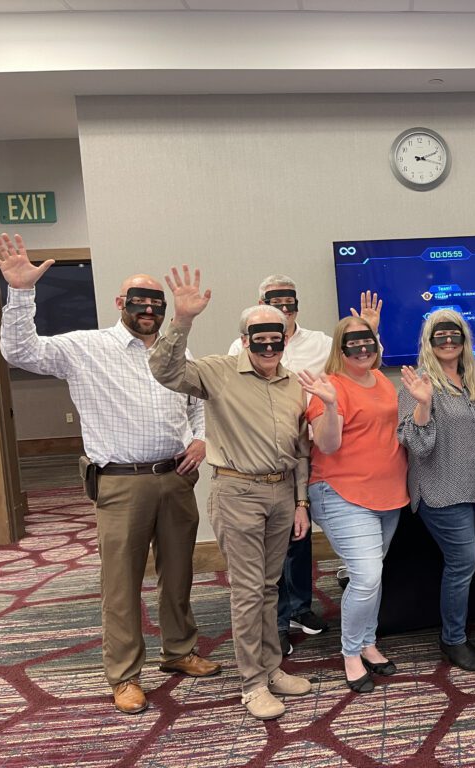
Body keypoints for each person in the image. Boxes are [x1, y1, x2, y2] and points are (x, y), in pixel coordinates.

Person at [0, 233, 219, 716]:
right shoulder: (84, 347)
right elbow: (20, 352)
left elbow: (197, 403)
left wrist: (201, 440)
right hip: (120, 483)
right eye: (139, 301)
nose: (148, 309)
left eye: (156, 302)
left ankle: (179, 652)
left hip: (176, 479)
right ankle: (125, 675)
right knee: (121, 584)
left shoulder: (178, 353)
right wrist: (21, 292)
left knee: (178, 575)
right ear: (121, 303)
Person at [149, 267, 313, 721]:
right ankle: (252, 683)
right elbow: (164, 370)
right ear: (244, 339)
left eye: (275, 338)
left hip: (282, 494)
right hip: (237, 491)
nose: (267, 347)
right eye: (257, 338)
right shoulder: (217, 372)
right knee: (246, 591)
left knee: (268, 588)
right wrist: (181, 321)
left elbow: (301, 449)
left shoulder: (294, 381)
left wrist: (301, 502)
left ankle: (272, 666)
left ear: (285, 337)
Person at [228, 275, 382, 658]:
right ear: (260, 302)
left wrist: (371, 332)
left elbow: (358, 367)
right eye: (275, 300)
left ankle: (299, 606)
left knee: (299, 537)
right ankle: (278, 621)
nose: (284, 307)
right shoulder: (243, 344)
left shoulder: (320, 343)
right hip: (269, 451)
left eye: (290, 301)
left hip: (313, 448)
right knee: (274, 546)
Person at [301, 317, 408, 693]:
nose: (362, 348)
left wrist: (371, 331)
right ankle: (350, 653)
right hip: (343, 493)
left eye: (369, 341)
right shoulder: (329, 386)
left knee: (373, 574)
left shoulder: (379, 379)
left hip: (388, 494)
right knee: (366, 577)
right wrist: (330, 406)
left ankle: (368, 642)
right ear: (339, 348)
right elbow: (327, 445)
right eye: (353, 342)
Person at [397, 310, 475, 672]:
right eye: (440, 336)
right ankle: (453, 640)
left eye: (454, 335)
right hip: (440, 491)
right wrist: (423, 404)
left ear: (464, 340)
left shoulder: (473, 380)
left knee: (467, 565)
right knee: (462, 563)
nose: (448, 341)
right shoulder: (417, 384)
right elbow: (416, 445)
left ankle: (459, 632)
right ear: (429, 341)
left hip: (474, 489)